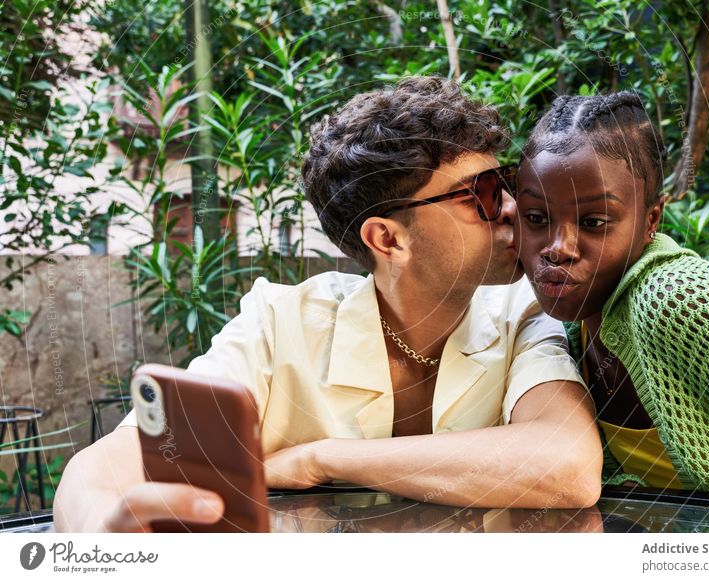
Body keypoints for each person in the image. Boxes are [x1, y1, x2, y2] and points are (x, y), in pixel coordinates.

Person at [54, 77, 602, 532]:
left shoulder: (521, 312)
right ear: (388, 240)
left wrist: (322, 458)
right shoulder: (281, 323)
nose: (511, 207)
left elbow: (569, 466)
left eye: (504, 182)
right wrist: (105, 537)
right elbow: (99, 470)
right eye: (480, 194)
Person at [513, 90, 709, 501]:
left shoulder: (676, 299)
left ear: (652, 219)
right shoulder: (576, 325)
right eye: (536, 218)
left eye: (594, 221)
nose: (558, 247)